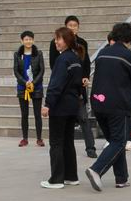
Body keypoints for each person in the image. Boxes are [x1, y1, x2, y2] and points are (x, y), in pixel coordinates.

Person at [86, 22, 131, 191]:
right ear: (130, 39)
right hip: (117, 104)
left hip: (98, 102)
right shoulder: (129, 56)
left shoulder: (102, 53)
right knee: (119, 142)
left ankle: (121, 178)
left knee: (115, 141)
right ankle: (96, 169)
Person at [40, 27, 84, 189]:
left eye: (58, 39)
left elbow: (56, 84)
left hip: (60, 107)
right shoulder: (75, 58)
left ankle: (57, 179)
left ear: (66, 40)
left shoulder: (62, 59)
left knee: (57, 143)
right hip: (72, 106)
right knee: (67, 142)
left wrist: (47, 104)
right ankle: (71, 176)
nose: (56, 42)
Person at [50, 15, 96, 158]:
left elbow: (86, 63)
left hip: (78, 87)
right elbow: (54, 64)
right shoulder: (55, 44)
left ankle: (90, 148)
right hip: (64, 87)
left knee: (83, 118)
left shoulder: (82, 43)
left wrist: (85, 77)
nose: (72, 28)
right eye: (70, 25)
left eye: (75, 25)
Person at [13, 30, 46, 147]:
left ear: (33, 40)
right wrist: (25, 82)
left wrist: (33, 82)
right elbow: (16, 71)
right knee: (24, 114)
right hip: (23, 87)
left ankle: (39, 139)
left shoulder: (38, 53)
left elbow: (42, 70)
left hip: (36, 87)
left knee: (37, 114)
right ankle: (25, 138)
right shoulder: (17, 54)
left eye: (30, 39)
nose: (28, 41)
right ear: (22, 41)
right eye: (26, 39)